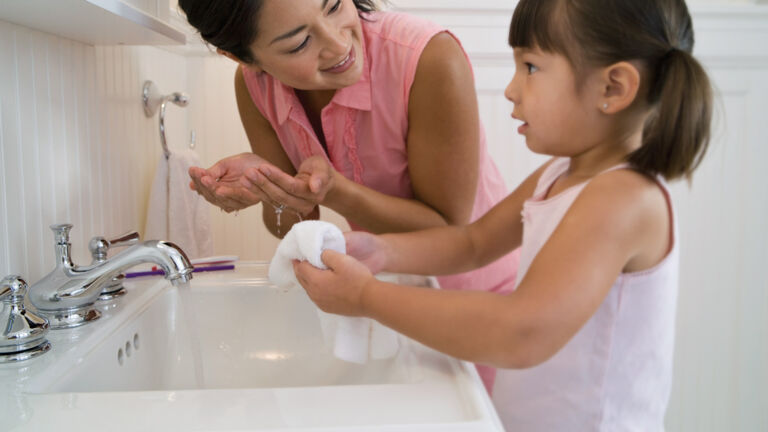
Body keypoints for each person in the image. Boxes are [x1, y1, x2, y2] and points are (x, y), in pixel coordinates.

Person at [292, 0, 713, 429]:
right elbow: (473, 244)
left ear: (613, 88)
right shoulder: (560, 174)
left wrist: (365, 297)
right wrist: (380, 251)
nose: (511, 89)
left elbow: (521, 333)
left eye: (529, 67)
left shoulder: (624, 197)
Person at [177, 0, 520, 392]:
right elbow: (295, 226)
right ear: (241, 56)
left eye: (335, 5)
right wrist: (267, 186)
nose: (339, 45)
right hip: (389, 299)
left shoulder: (429, 58)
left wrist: (336, 191)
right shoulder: (255, 84)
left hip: (482, 298)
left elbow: (446, 226)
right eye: (299, 43)